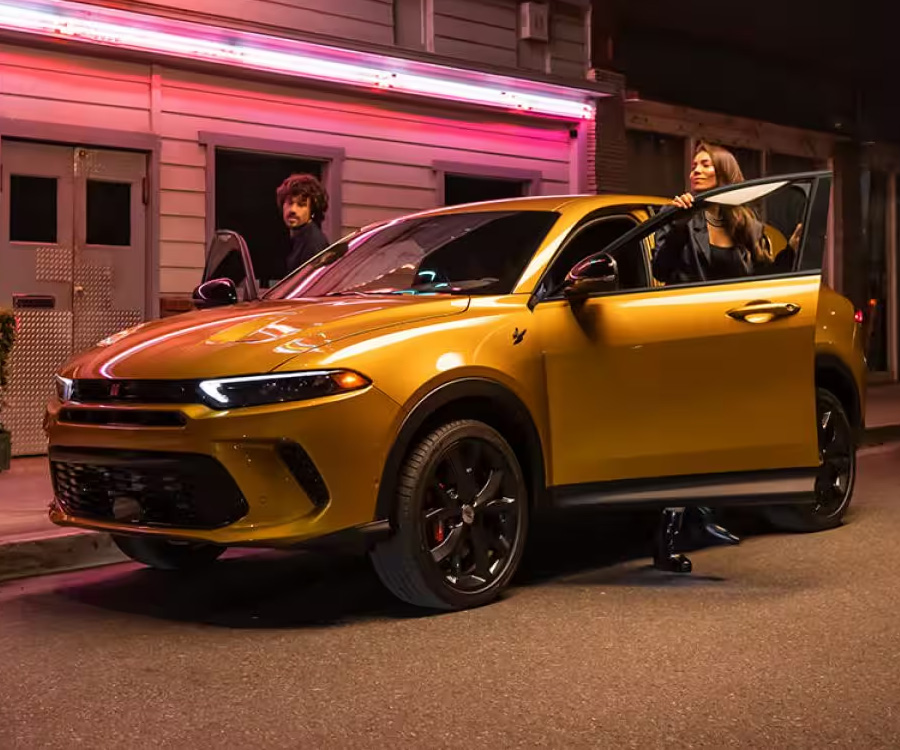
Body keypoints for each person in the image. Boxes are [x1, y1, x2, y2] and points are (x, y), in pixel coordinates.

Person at [650, 141, 794, 573]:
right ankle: (674, 536)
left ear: (725, 173)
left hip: (729, 345)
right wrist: (676, 222)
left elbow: (761, 281)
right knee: (685, 440)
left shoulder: (746, 224)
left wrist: (791, 254)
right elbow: (660, 268)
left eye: (705, 164)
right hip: (688, 340)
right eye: (693, 163)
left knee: (714, 439)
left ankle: (699, 519)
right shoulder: (680, 217)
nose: (695, 170)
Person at [276, 173, 330, 275]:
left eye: (301, 205)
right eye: (290, 203)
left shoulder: (314, 243)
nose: (293, 210)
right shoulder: (295, 238)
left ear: (312, 210)